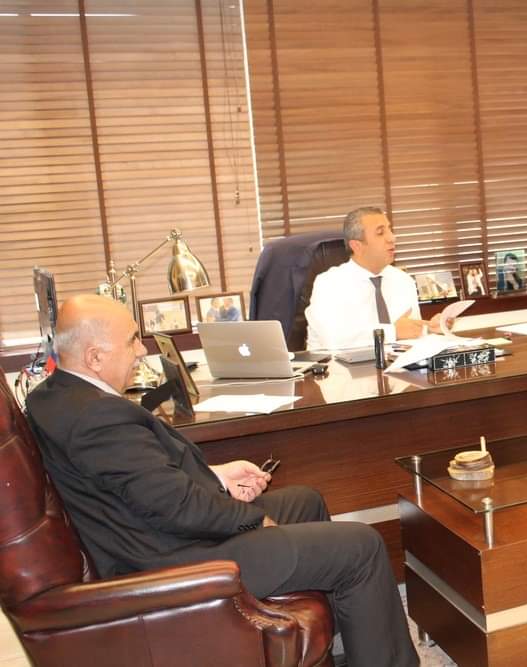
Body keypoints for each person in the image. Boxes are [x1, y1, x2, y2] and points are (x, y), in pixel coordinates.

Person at [25, 294, 419, 667]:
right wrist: (251, 520)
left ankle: (341, 648)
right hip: (174, 558)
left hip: (157, 532)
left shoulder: (52, 395)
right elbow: (177, 507)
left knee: (305, 500)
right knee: (361, 546)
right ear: (95, 357)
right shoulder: (97, 418)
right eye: (131, 341)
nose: (142, 350)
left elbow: (137, 482)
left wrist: (215, 476)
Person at [305, 206, 448, 350]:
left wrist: (429, 329)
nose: (392, 238)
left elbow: (410, 336)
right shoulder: (329, 284)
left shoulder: (403, 281)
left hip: (398, 363)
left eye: (390, 230)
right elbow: (334, 340)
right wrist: (393, 332)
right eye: (380, 233)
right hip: (339, 364)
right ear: (357, 246)